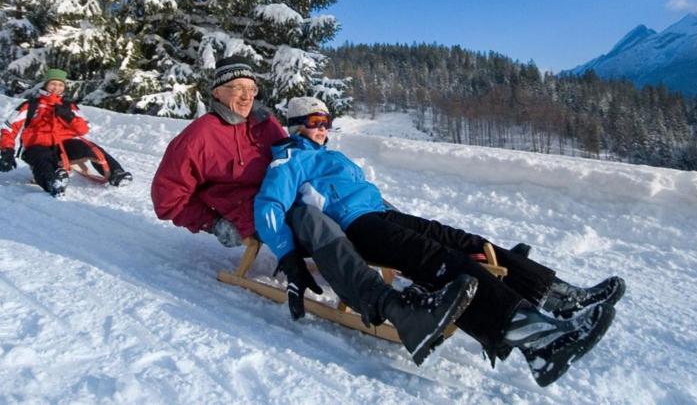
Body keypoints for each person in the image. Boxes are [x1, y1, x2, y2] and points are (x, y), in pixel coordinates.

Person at [254, 97, 624, 387]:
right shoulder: (290, 158)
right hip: (356, 228)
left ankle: (558, 297)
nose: (322, 129)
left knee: (466, 241)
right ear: (296, 126)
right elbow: (269, 206)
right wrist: (289, 257)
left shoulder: (332, 155)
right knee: (438, 260)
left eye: (327, 122)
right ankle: (539, 341)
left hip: (383, 214)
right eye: (315, 122)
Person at [151, 57, 479, 365]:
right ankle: (392, 306)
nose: (246, 96)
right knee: (319, 225)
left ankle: (442, 268)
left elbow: (293, 158)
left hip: (297, 195)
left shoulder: (265, 125)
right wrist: (212, 223)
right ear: (217, 92)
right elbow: (168, 199)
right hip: (262, 214)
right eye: (237, 88)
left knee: (366, 212)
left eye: (251, 88)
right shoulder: (196, 138)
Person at [0, 68, 132, 196]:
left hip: (64, 144)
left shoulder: (68, 106)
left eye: (60, 85)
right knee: (43, 159)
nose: (57, 88)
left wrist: (69, 117)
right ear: (45, 85)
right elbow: (9, 128)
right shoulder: (30, 105)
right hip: (37, 145)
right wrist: (6, 151)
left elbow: (83, 129)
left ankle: (116, 173)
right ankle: (52, 182)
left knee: (91, 148)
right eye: (53, 84)